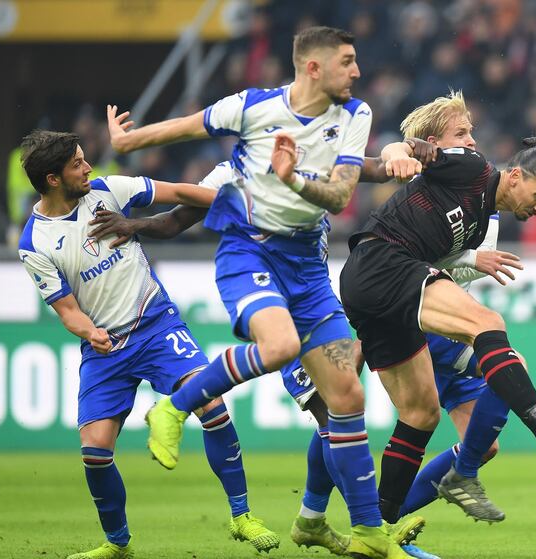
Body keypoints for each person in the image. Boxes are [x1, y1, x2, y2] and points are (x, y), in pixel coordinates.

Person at [106, 26, 409, 559]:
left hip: (309, 275)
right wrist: (127, 141)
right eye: (348, 61)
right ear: (313, 67)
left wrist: (296, 180)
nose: (357, 72)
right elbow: (187, 127)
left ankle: (366, 532)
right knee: (280, 347)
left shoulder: (354, 116)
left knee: (348, 398)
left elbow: (339, 194)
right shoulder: (252, 109)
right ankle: (173, 408)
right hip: (250, 254)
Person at [16, 130, 279, 559]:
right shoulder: (35, 242)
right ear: (52, 179)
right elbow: (66, 308)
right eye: (77, 164)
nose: (88, 168)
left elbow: (177, 192)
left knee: (212, 407)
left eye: (85, 159)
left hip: (155, 325)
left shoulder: (107, 189)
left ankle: (242, 515)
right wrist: (88, 332)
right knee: (95, 452)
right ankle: (118, 544)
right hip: (105, 349)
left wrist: (239, 203)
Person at [336, 130, 536, 528]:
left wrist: (470, 261)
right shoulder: (474, 169)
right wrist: (399, 152)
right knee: (487, 324)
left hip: (380, 292)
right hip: (381, 264)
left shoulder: (481, 226)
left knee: (420, 415)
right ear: (515, 176)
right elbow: (404, 150)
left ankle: (374, 529)